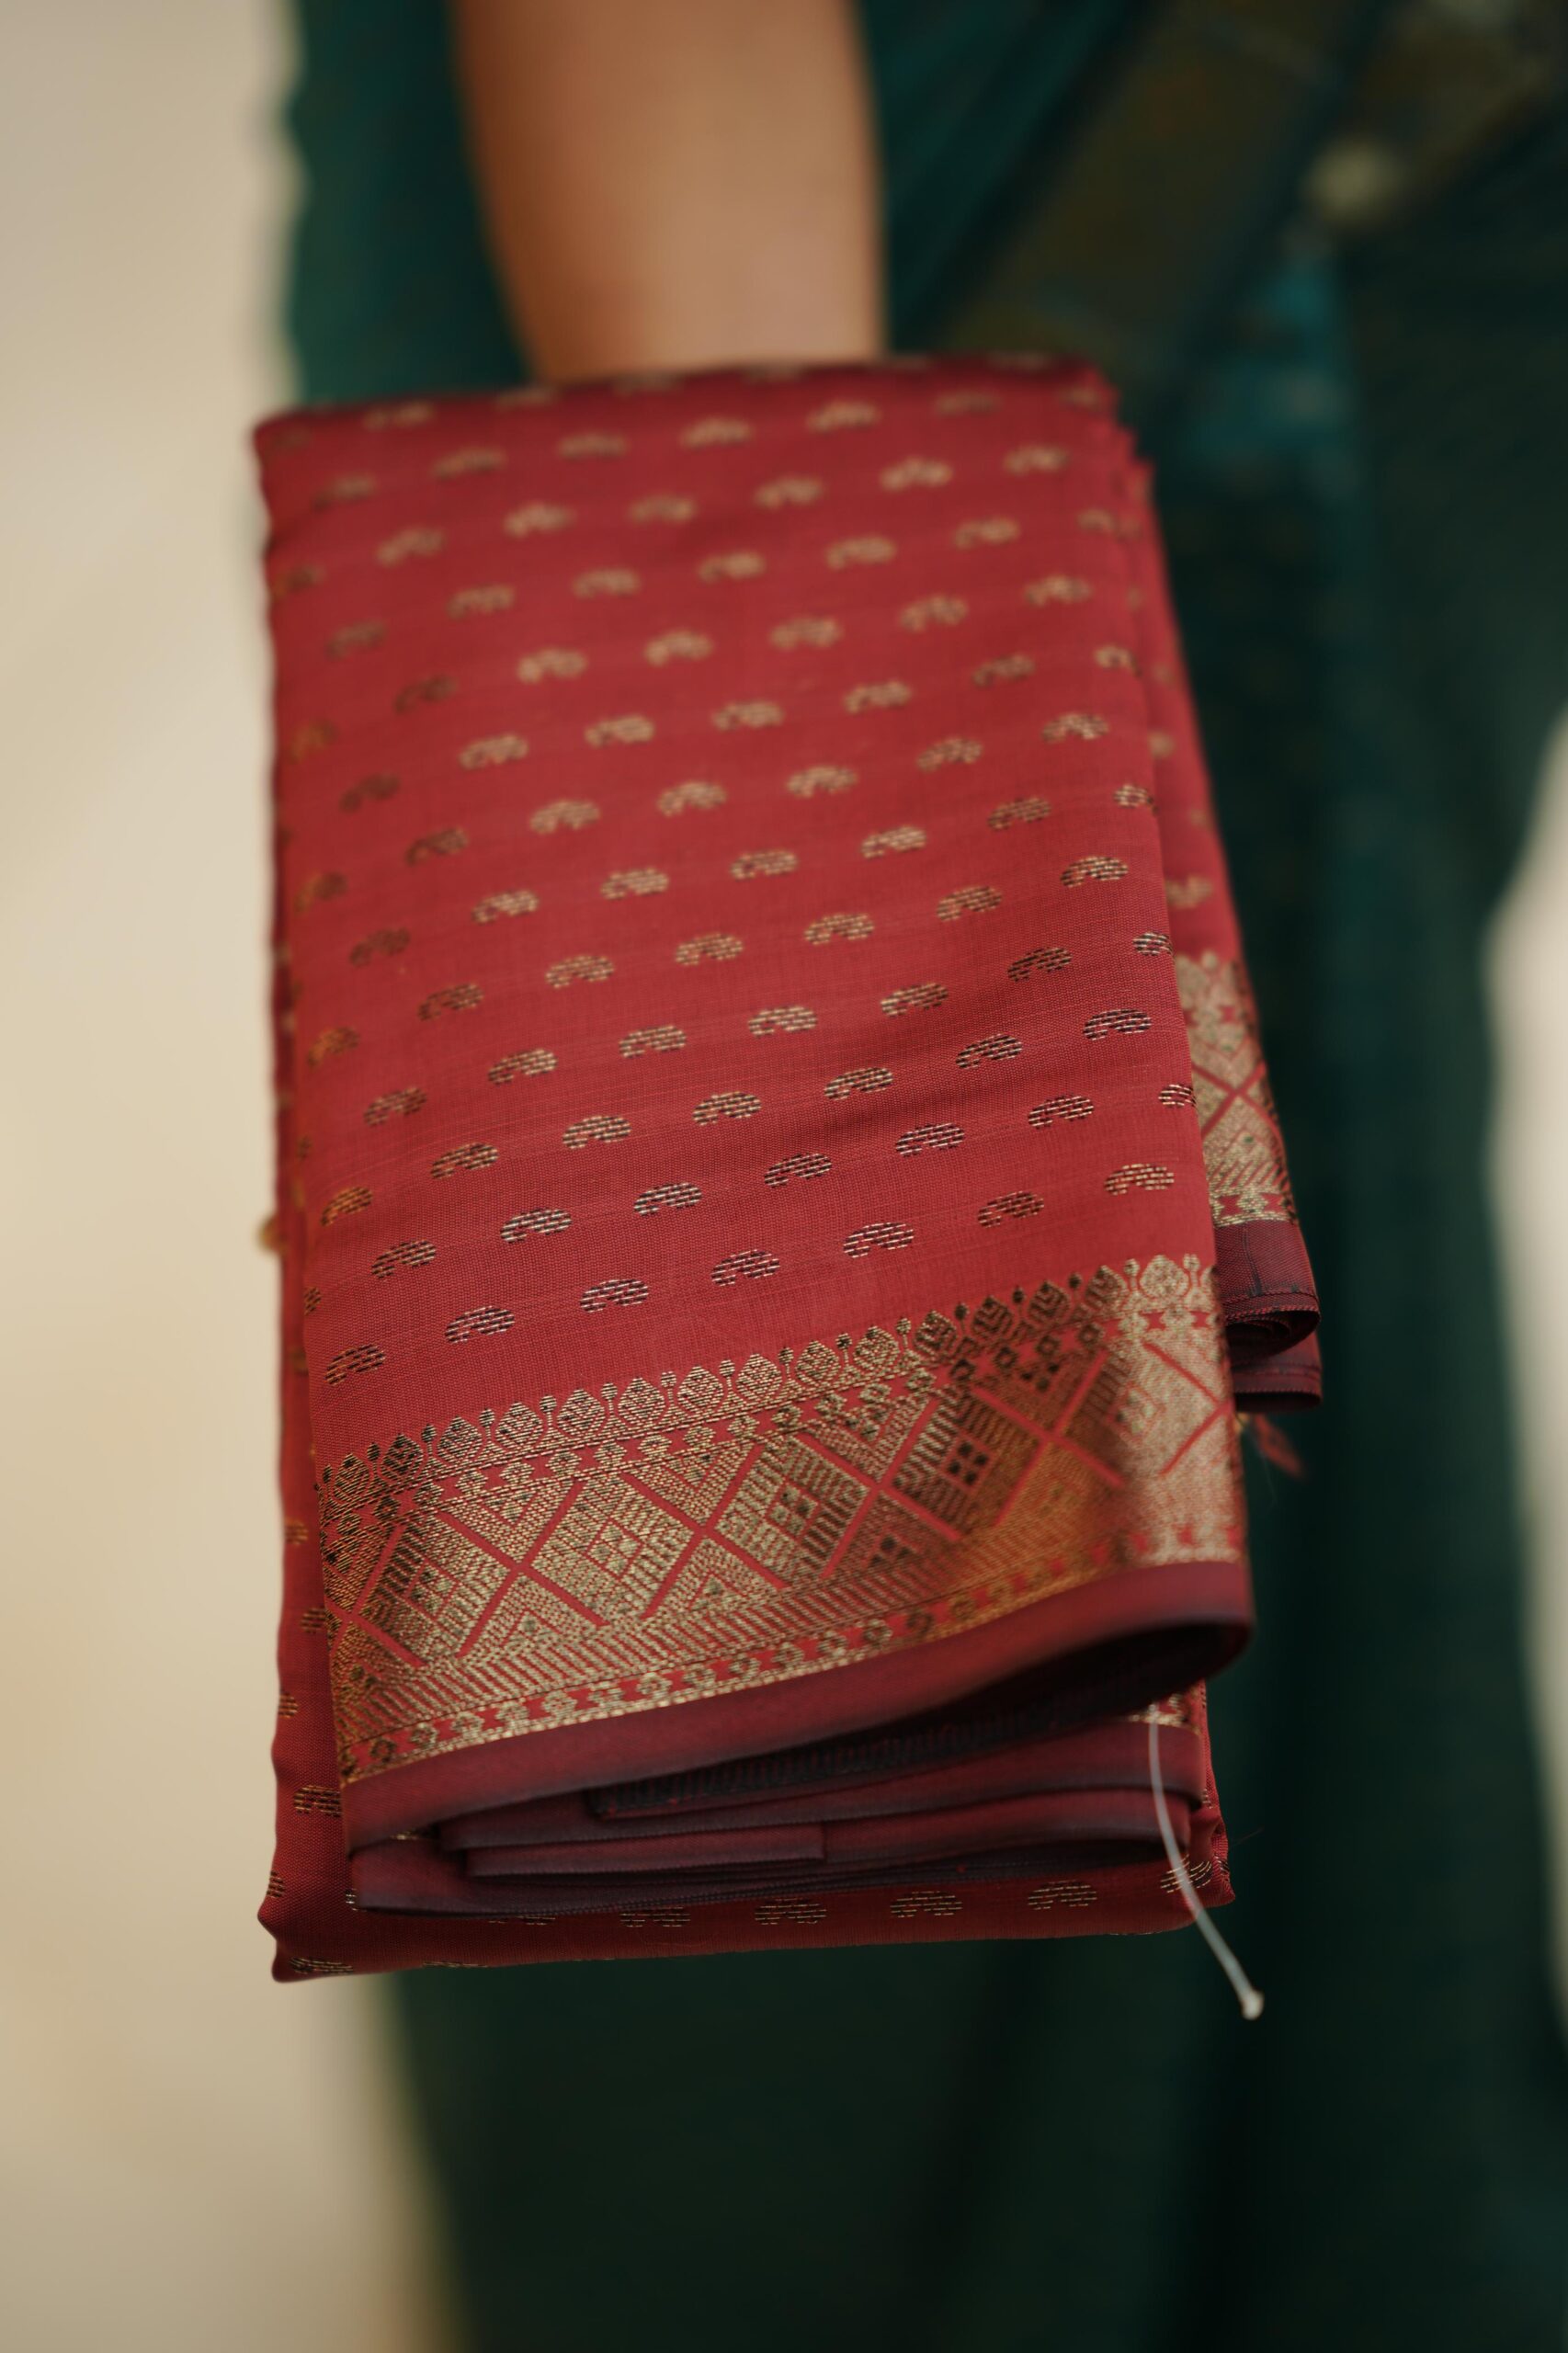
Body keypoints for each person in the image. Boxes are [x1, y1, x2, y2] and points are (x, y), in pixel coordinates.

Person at [280, 4, 1568, 2344]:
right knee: (774, 1557)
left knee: (1340, 1223)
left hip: (1430, 198)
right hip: (790, 170)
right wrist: (794, 707)